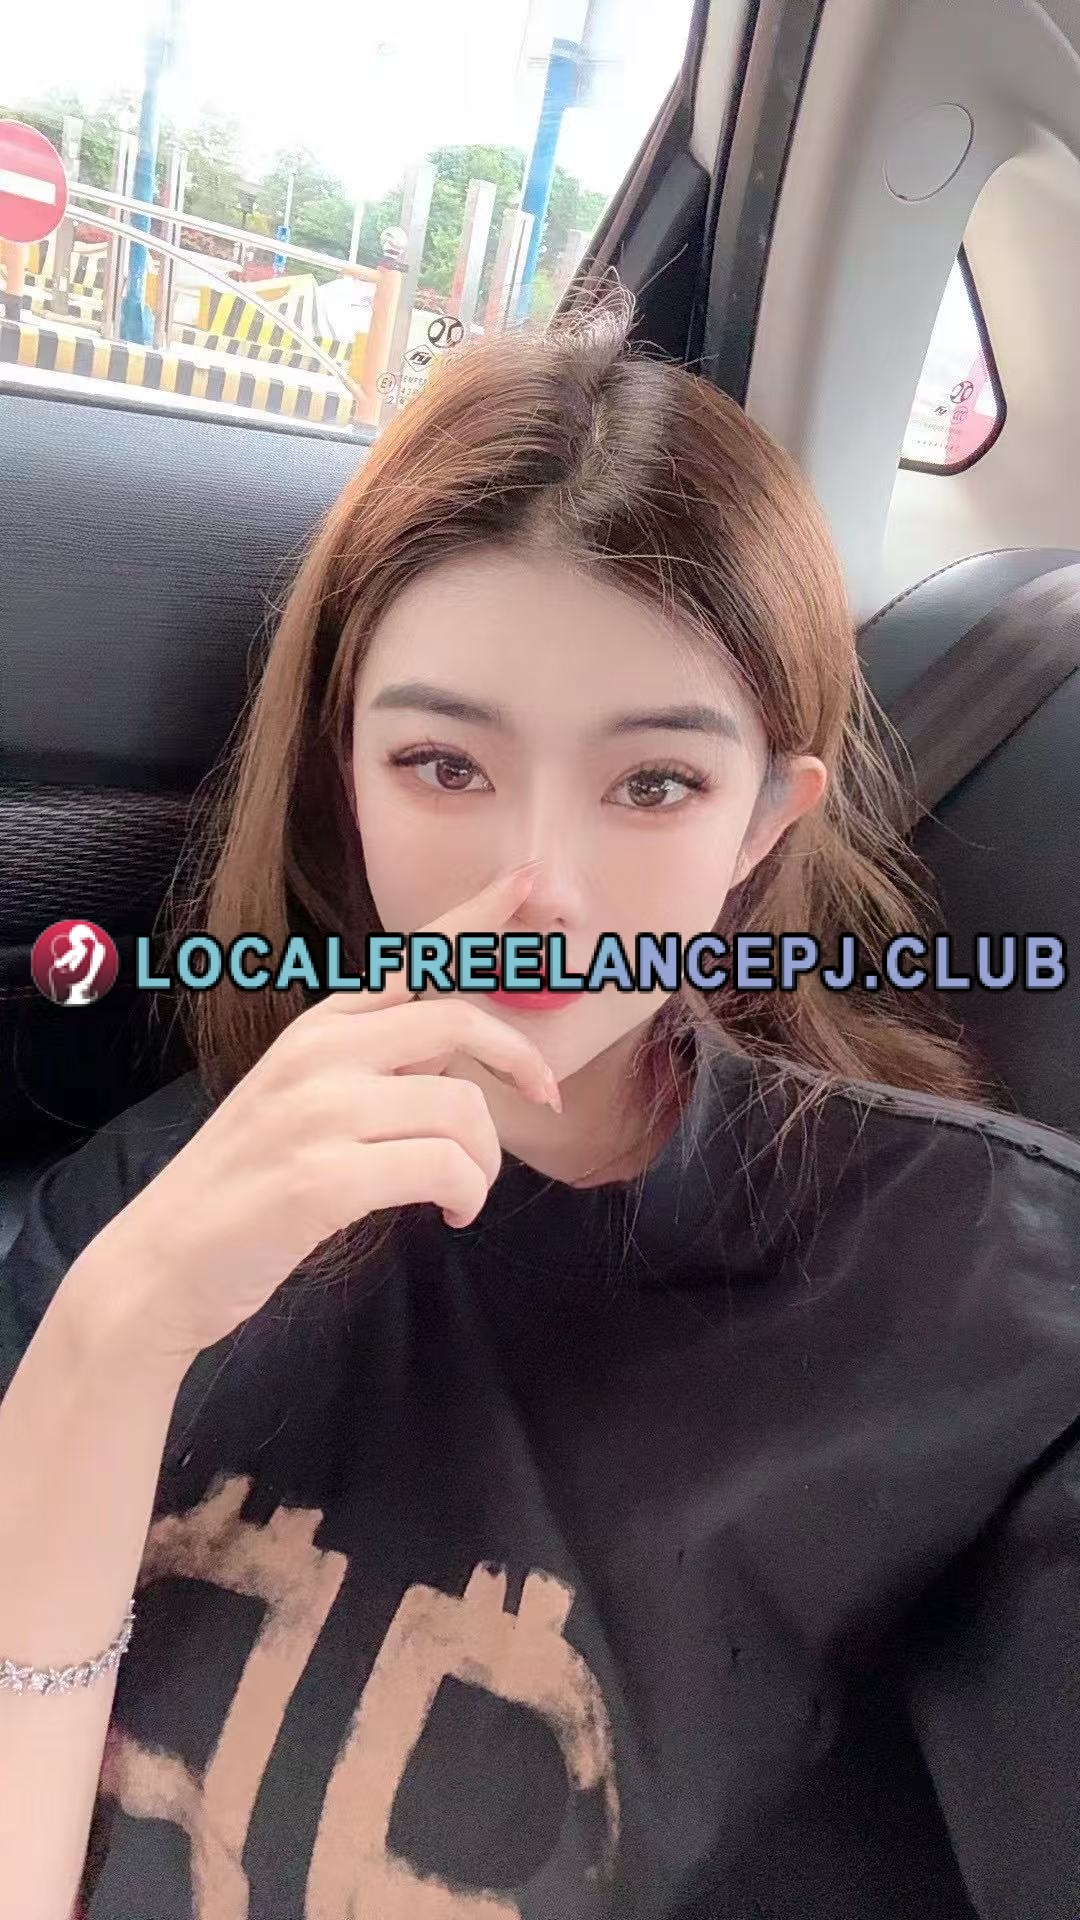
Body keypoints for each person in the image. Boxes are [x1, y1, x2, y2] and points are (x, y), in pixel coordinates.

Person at [0, 282, 1077, 1920]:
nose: (541, 890)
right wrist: (111, 1344)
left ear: (762, 823)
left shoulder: (984, 1309)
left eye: (655, 782)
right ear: (345, 772)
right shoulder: (144, 1209)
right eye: (445, 765)